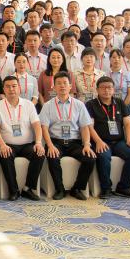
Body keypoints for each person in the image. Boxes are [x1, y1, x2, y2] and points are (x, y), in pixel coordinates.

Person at [39, 72, 96, 201]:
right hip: (56, 142)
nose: (62, 86)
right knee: (53, 157)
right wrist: (50, 145)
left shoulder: (79, 104)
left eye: (65, 83)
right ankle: (60, 189)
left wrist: (87, 145)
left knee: (90, 158)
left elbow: (84, 127)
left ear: (70, 86)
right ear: (54, 87)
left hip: (75, 142)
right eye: (59, 83)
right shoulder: (48, 105)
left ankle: (77, 188)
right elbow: (44, 128)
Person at [0, 75, 45, 201]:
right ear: (4, 89)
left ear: (19, 88)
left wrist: (38, 142)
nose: (11, 89)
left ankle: (28, 188)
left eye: (14, 86)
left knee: (40, 154)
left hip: (27, 144)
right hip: (7, 144)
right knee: (5, 155)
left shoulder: (28, 105)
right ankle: (13, 190)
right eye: (8, 86)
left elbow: (37, 125)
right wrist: (2, 145)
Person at [85, 77, 130, 198]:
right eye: (103, 87)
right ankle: (106, 188)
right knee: (104, 156)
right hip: (101, 141)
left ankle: (124, 187)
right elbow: (89, 127)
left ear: (113, 89)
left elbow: (128, 123)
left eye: (109, 87)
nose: (106, 90)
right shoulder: (91, 104)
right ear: (97, 90)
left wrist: (129, 139)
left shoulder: (120, 103)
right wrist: (98, 141)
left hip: (119, 142)